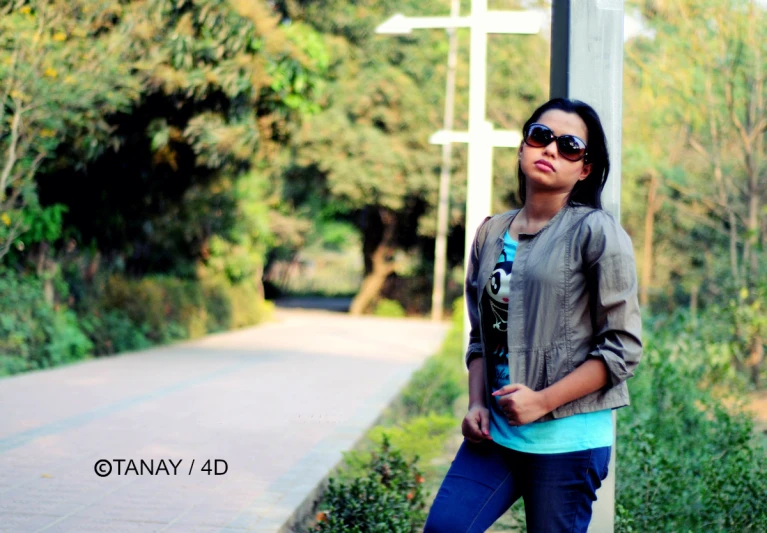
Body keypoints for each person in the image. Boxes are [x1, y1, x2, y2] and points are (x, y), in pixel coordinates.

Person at [423, 98, 642, 533]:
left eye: (570, 145)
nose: (551, 150)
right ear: (523, 147)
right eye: (541, 136)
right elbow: (481, 334)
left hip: (568, 441)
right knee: (445, 527)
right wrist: (476, 402)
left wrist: (542, 401)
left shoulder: (597, 233)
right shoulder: (490, 233)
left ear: (584, 168)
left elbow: (623, 349)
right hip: (498, 434)